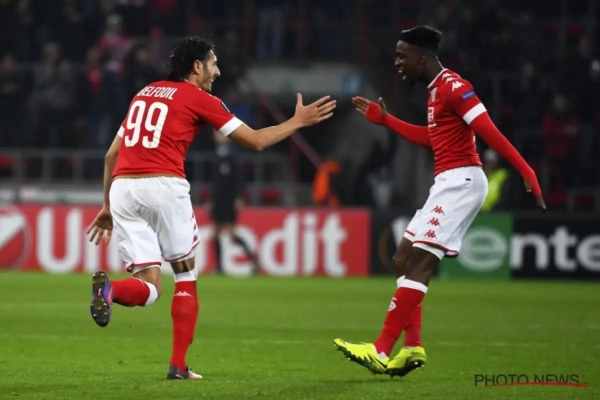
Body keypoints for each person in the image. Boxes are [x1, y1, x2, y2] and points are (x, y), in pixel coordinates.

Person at [85, 36, 336, 380]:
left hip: (123, 189)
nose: (217, 72)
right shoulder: (199, 98)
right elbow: (256, 141)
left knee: (150, 287)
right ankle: (178, 366)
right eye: (213, 64)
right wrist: (297, 122)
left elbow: (111, 154)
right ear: (197, 66)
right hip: (163, 185)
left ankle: (110, 289)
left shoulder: (144, 93)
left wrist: (106, 205)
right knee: (185, 275)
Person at [334, 25, 545, 377]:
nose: (397, 63)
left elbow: (488, 129)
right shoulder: (435, 92)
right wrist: (387, 121)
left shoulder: (454, 87)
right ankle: (412, 347)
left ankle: (381, 349)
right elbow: (433, 139)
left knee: (420, 261)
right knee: (402, 258)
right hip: (447, 180)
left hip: (462, 181)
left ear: (422, 58)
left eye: (402, 56)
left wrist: (526, 171)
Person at [210, 128, 259, 274]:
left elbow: (239, 178)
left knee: (231, 233)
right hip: (218, 199)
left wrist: (239, 196)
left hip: (229, 198)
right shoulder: (216, 155)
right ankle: (219, 268)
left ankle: (253, 259)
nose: (217, 136)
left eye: (220, 133)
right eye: (216, 133)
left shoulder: (234, 155)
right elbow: (215, 182)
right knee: (215, 233)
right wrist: (211, 199)